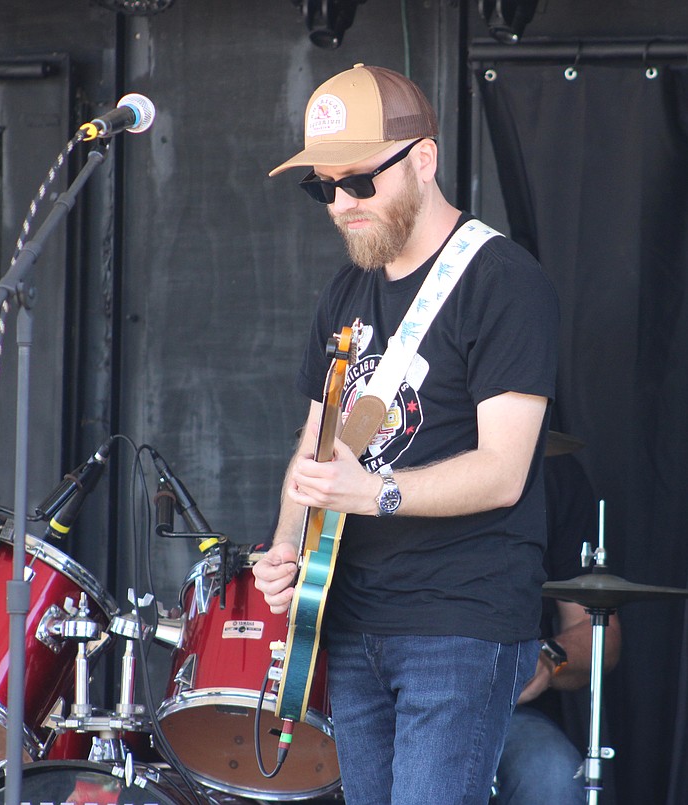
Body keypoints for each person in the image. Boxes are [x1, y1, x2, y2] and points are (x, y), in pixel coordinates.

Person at [252, 63, 560, 804]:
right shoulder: (348, 290)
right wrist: (288, 544)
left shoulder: (502, 281)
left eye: (359, 182)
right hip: (353, 617)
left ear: (423, 157)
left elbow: (503, 470)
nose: (340, 205)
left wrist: (376, 491)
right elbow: (315, 447)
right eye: (322, 187)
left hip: (459, 619)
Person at [495, 451, 622, 804]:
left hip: (501, 711)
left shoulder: (553, 472)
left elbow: (598, 632)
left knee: (552, 773)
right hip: (377, 701)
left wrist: (548, 659)